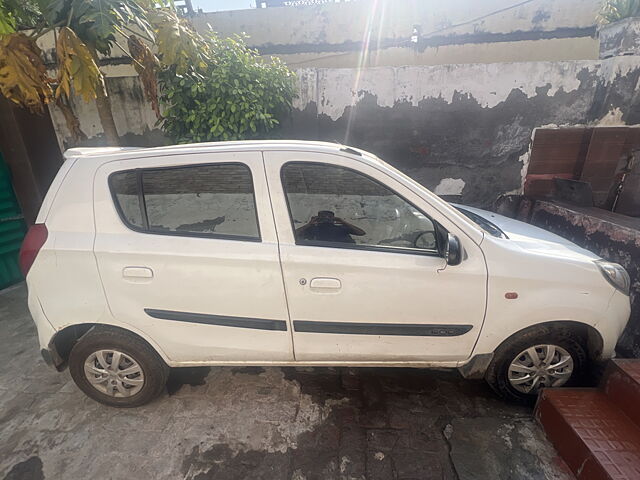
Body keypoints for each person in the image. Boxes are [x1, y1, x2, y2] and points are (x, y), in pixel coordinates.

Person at [295, 210, 365, 244]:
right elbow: (293, 235)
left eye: (329, 217)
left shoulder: (341, 228)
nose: (326, 218)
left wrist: (343, 222)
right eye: (323, 217)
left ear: (334, 218)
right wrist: (309, 224)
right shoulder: (312, 229)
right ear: (318, 218)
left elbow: (361, 233)